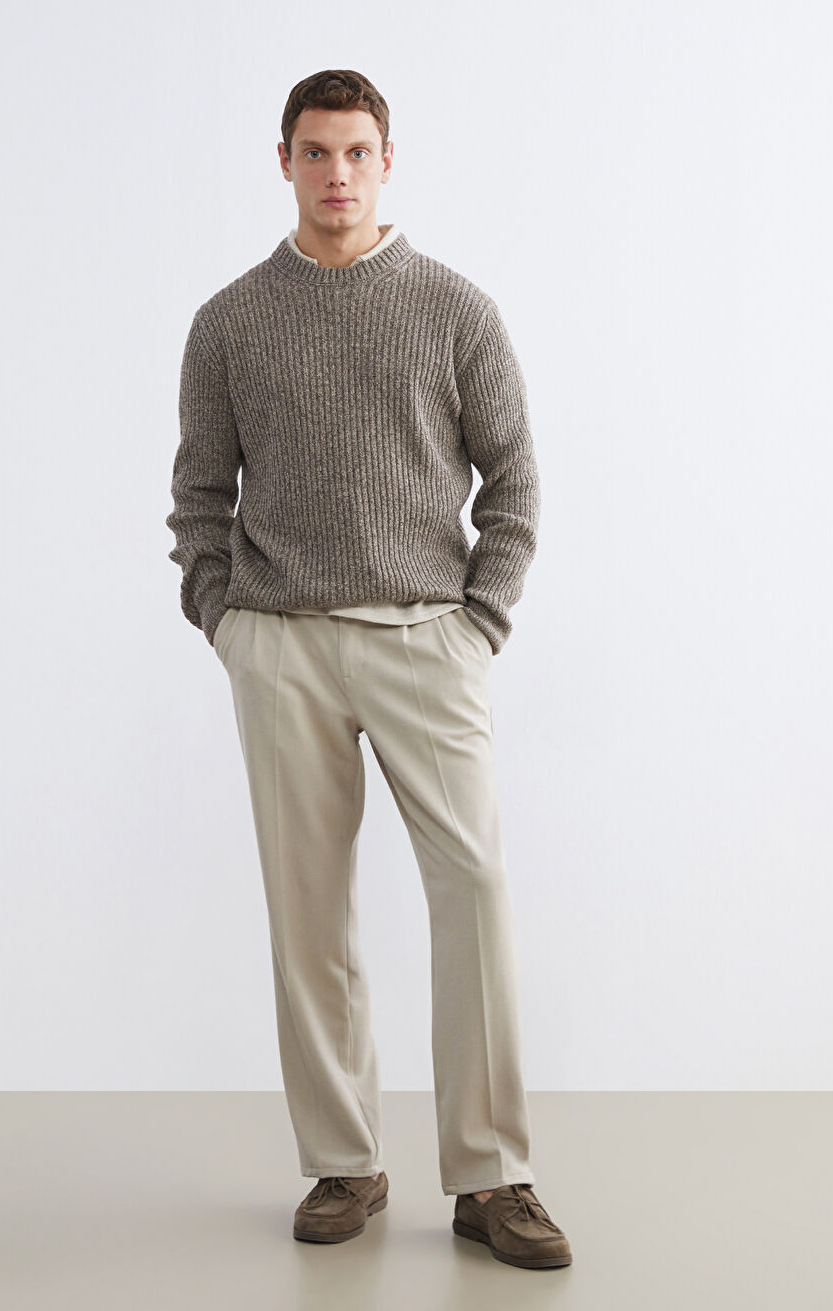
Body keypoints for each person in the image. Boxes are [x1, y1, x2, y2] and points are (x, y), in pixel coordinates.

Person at [165, 68, 572, 1271]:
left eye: (356, 152)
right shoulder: (230, 321)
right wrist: (225, 619)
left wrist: (479, 618)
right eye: (315, 151)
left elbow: (515, 481)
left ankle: (491, 1174)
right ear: (283, 161)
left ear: (388, 161)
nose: (336, 173)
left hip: (424, 636)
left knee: (474, 889)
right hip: (281, 642)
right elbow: (199, 492)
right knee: (309, 912)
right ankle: (344, 1159)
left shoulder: (453, 309)